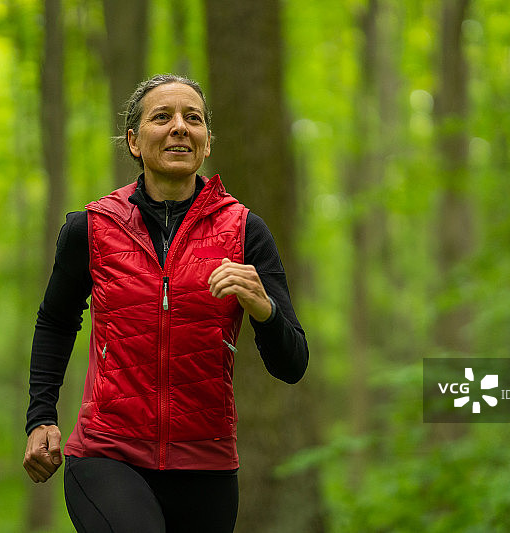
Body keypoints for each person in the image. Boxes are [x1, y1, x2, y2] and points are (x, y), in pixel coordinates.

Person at [23, 73, 308, 533]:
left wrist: (264, 308)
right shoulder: (91, 229)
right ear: (134, 142)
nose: (179, 126)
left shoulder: (245, 232)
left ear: (207, 142)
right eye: (163, 117)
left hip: (208, 467)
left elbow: (292, 364)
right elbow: (55, 322)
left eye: (192, 118)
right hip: (107, 454)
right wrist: (41, 418)